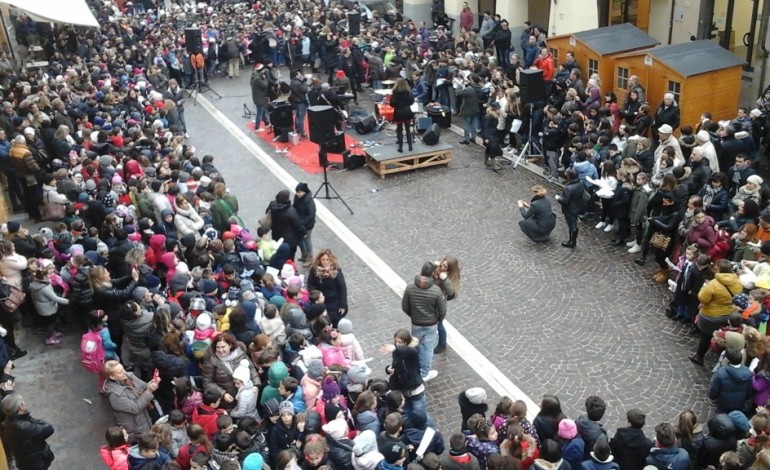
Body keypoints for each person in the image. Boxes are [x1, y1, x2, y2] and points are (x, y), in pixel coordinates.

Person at [689, 259, 743, 366]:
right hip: (727, 313)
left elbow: (702, 298)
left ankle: (699, 356)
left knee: (706, 335)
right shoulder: (737, 282)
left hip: (711, 315)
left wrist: (704, 287)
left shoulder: (713, 284)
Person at [402, 262, 446, 382]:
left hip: (416, 322)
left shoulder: (410, 287)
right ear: (432, 273)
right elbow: (442, 310)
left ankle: (414, 367)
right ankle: (425, 372)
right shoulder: (436, 291)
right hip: (431, 324)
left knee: (416, 345)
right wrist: (438, 320)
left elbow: (405, 306)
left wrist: (413, 315)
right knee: (427, 348)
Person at [103, 360, 159, 442]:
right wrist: (148, 392)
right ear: (112, 377)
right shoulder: (115, 395)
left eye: (123, 369)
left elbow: (143, 386)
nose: (124, 373)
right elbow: (135, 408)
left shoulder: (129, 376)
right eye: (120, 372)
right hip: (135, 427)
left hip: (143, 418)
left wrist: (152, 382)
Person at [201, 333, 258, 410]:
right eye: (218, 347)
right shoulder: (211, 360)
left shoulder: (239, 354)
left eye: (223, 347)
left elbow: (250, 368)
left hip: (244, 394)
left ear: (230, 345)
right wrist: (223, 394)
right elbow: (207, 382)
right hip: (227, 400)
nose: (220, 350)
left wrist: (256, 385)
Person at [2, 393, 55, 470]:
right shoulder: (25, 427)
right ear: (20, 407)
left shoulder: (7, 424)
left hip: (22, 463)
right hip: (37, 464)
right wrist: (27, 416)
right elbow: (48, 428)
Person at [307, 249, 348, 328]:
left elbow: (342, 289)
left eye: (327, 260)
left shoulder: (336, 271)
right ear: (319, 260)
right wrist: (315, 295)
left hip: (334, 301)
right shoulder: (314, 270)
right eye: (323, 260)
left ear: (330, 260)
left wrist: (343, 305)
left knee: (335, 322)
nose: (325, 262)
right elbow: (310, 283)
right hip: (321, 300)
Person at [266, 189, 307, 261]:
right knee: (290, 257)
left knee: (279, 253)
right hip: (289, 239)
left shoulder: (272, 205)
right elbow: (298, 224)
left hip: (276, 235)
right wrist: (304, 232)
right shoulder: (290, 211)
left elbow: (267, 212)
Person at [556, 169, 585, 248]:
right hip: (577, 206)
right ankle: (573, 240)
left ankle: (572, 242)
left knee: (572, 225)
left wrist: (558, 198)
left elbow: (565, 201)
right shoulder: (580, 183)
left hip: (570, 209)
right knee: (573, 223)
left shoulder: (569, 188)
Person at [293, 182, 317, 267]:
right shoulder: (297, 198)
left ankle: (310, 257)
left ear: (304, 192)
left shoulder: (309, 202)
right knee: (299, 239)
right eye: (297, 192)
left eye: (299, 192)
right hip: (299, 223)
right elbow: (294, 207)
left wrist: (301, 222)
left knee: (307, 240)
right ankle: (304, 254)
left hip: (307, 225)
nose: (297, 194)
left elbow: (311, 216)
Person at [391, 78, 415, 153]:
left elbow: (392, 104)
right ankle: (410, 146)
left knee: (399, 130)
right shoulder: (408, 92)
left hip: (398, 112)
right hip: (407, 112)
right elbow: (412, 101)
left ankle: (400, 147)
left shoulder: (395, 93)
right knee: (408, 129)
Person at [251, 63, 271, 132]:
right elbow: (265, 85)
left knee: (262, 111)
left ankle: (267, 123)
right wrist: (265, 79)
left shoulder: (254, 76)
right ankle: (257, 127)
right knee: (259, 113)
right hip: (259, 98)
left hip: (258, 97)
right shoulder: (257, 79)